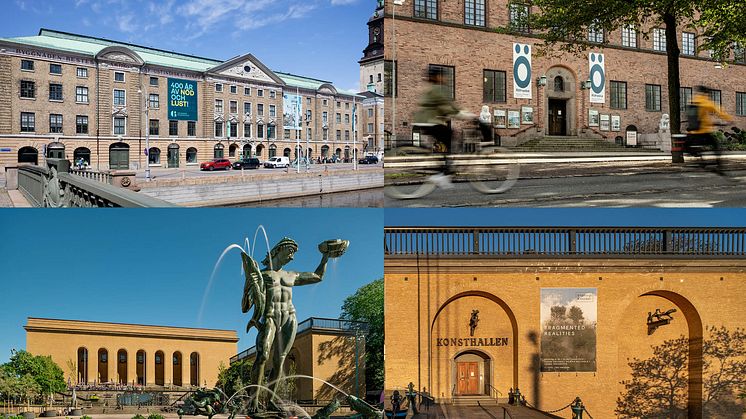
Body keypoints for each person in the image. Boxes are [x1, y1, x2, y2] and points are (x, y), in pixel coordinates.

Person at [686, 85, 733, 174]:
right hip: (704, 132)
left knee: (696, 146)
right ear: (707, 93)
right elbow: (719, 112)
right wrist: (729, 119)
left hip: (692, 132)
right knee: (716, 146)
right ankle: (719, 166)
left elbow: (696, 117)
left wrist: (711, 123)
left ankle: (700, 160)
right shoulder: (707, 102)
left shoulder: (693, 100)